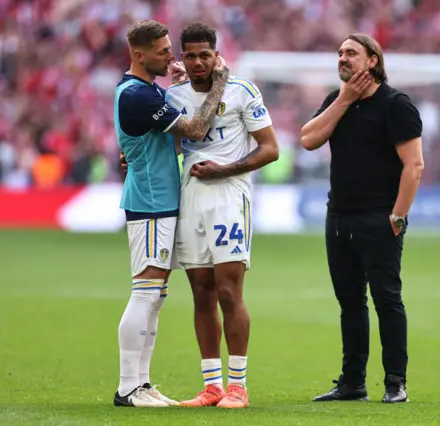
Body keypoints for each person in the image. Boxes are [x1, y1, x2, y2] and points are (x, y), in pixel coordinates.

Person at [300, 33, 424, 404]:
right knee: (350, 302)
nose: (342, 58)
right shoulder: (337, 101)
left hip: (378, 219)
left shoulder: (395, 105)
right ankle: (352, 382)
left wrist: (398, 217)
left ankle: (395, 383)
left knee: (387, 300)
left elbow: (414, 165)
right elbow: (308, 140)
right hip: (338, 217)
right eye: (339, 53)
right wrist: (345, 99)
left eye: (351, 53)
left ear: (372, 60)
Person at [113, 19, 229, 408]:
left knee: (156, 294)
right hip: (149, 202)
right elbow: (195, 129)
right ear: (139, 54)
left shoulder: (144, 90)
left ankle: (142, 384)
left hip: (160, 200)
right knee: (145, 292)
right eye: (164, 51)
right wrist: (218, 83)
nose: (171, 56)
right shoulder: (137, 95)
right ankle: (128, 387)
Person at [165, 22, 279, 409]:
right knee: (201, 293)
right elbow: (170, 145)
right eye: (190, 55)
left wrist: (224, 169)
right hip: (190, 197)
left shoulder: (243, 91)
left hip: (230, 196)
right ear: (182, 57)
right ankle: (212, 385)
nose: (198, 62)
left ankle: (238, 386)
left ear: (217, 55)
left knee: (229, 292)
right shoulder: (174, 95)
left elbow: (270, 149)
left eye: (204, 55)